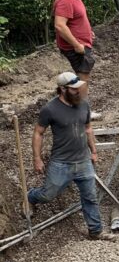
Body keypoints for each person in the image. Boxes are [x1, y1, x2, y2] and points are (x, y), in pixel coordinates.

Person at [28, 72, 105, 239]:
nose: (79, 91)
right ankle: (31, 197)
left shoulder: (84, 104)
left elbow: (88, 128)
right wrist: (37, 158)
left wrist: (93, 151)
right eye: (74, 89)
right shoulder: (50, 109)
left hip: (83, 160)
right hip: (61, 162)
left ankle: (95, 231)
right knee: (48, 195)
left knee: (90, 197)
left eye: (79, 88)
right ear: (62, 89)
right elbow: (38, 133)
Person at [53, 0, 95, 88]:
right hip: (75, 47)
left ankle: (81, 102)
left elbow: (77, 18)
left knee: (85, 74)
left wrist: (88, 31)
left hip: (81, 43)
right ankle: (81, 103)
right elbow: (60, 26)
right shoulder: (65, 0)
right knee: (83, 78)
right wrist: (76, 45)